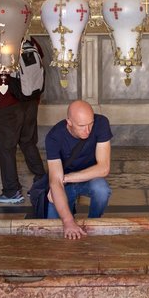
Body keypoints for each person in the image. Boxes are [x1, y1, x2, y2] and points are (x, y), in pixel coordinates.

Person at [0, 37, 47, 204]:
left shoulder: (4, 43)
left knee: (6, 148)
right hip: (31, 101)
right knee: (28, 142)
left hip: (9, 105)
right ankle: (42, 181)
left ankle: (11, 191)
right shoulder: (31, 41)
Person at [45, 100, 113, 240]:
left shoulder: (101, 123)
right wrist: (68, 221)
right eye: (81, 126)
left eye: (90, 124)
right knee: (52, 227)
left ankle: (94, 222)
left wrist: (66, 178)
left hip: (85, 179)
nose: (87, 130)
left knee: (102, 189)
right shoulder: (54, 137)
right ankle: (69, 214)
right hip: (63, 186)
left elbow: (104, 169)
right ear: (69, 122)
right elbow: (55, 181)